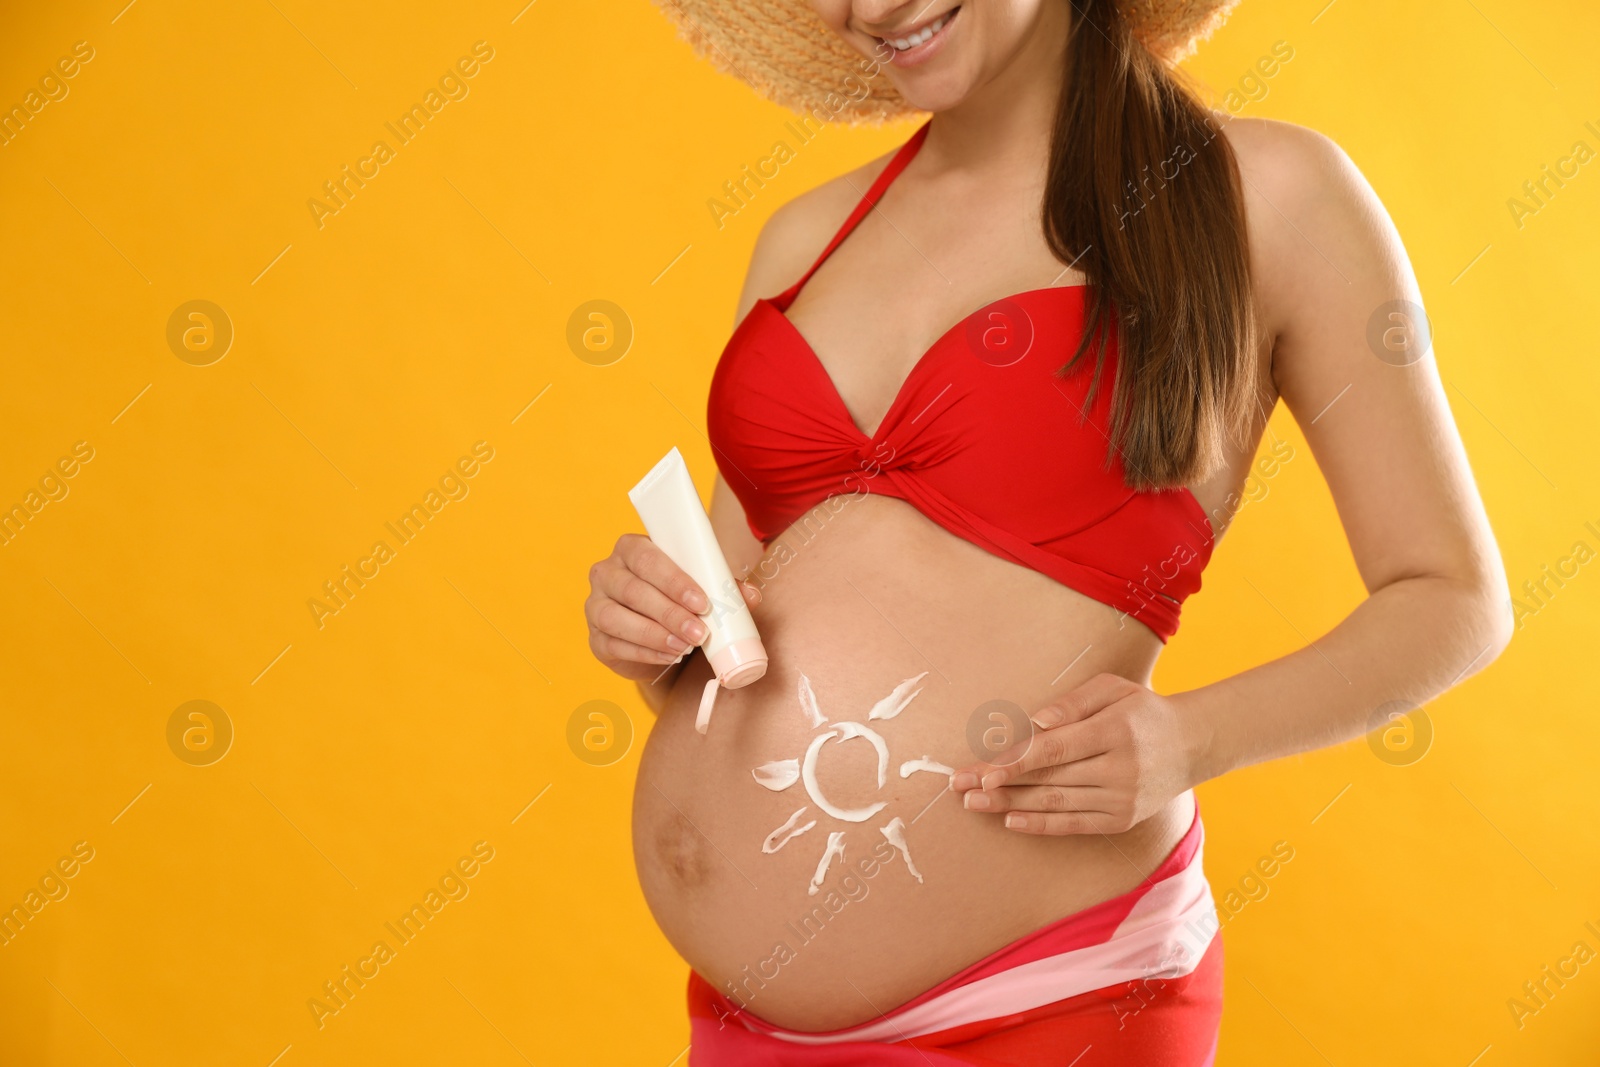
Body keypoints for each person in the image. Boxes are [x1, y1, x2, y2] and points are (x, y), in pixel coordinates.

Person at [583, 1, 1512, 1061]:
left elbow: (1452, 595)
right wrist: (652, 629)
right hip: (744, 1023)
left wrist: (1188, 740)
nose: (868, 7)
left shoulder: (1272, 196)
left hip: (1051, 1002)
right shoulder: (801, 238)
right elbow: (727, 632)